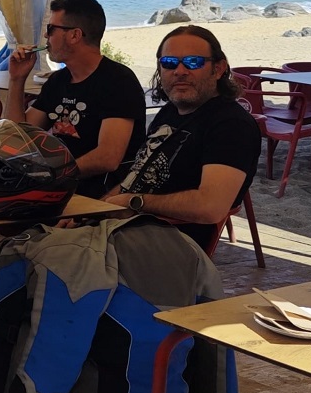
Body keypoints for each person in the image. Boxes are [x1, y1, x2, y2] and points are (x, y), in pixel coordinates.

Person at [105, 25, 261, 249]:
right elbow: (135, 177)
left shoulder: (231, 125)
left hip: (167, 246)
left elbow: (210, 207)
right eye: (169, 63)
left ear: (218, 69)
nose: (179, 71)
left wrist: (135, 202)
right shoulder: (169, 112)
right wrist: (96, 209)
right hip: (123, 230)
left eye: (193, 62)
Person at [3, 0, 146, 199]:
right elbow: (18, 136)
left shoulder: (118, 81)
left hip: (99, 193)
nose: (45, 35)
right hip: (60, 184)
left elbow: (108, 158)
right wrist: (16, 79)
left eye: (51, 29)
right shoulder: (59, 80)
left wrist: (54, 176)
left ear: (74, 35)